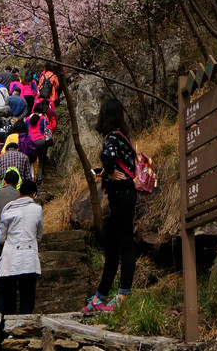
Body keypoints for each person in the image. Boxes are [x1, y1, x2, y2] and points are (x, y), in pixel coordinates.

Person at [82, 99, 137, 316]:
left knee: (124, 244)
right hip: (124, 195)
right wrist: (108, 171)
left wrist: (109, 169)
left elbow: (109, 157)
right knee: (113, 247)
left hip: (121, 195)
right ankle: (100, 296)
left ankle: (122, 295)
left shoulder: (112, 137)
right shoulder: (124, 136)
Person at [0, 178, 43, 321]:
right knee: (27, 301)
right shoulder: (37, 209)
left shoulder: (8, 209)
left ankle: (5, 338)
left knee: (8, 305)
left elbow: (0, 238)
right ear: (34, 194)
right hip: (29, 260)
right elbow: (39, 235)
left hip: (9, 262)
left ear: (19, 193)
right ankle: (21, 337)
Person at [26, 111, 50, 182]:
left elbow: (25, 130)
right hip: (41, 141)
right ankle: (39, 177)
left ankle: (32, 176)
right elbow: (48, 128)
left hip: (31, 142)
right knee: (41, 160)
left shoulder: (27, 119)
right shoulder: (43, 118)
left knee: (31, 160)